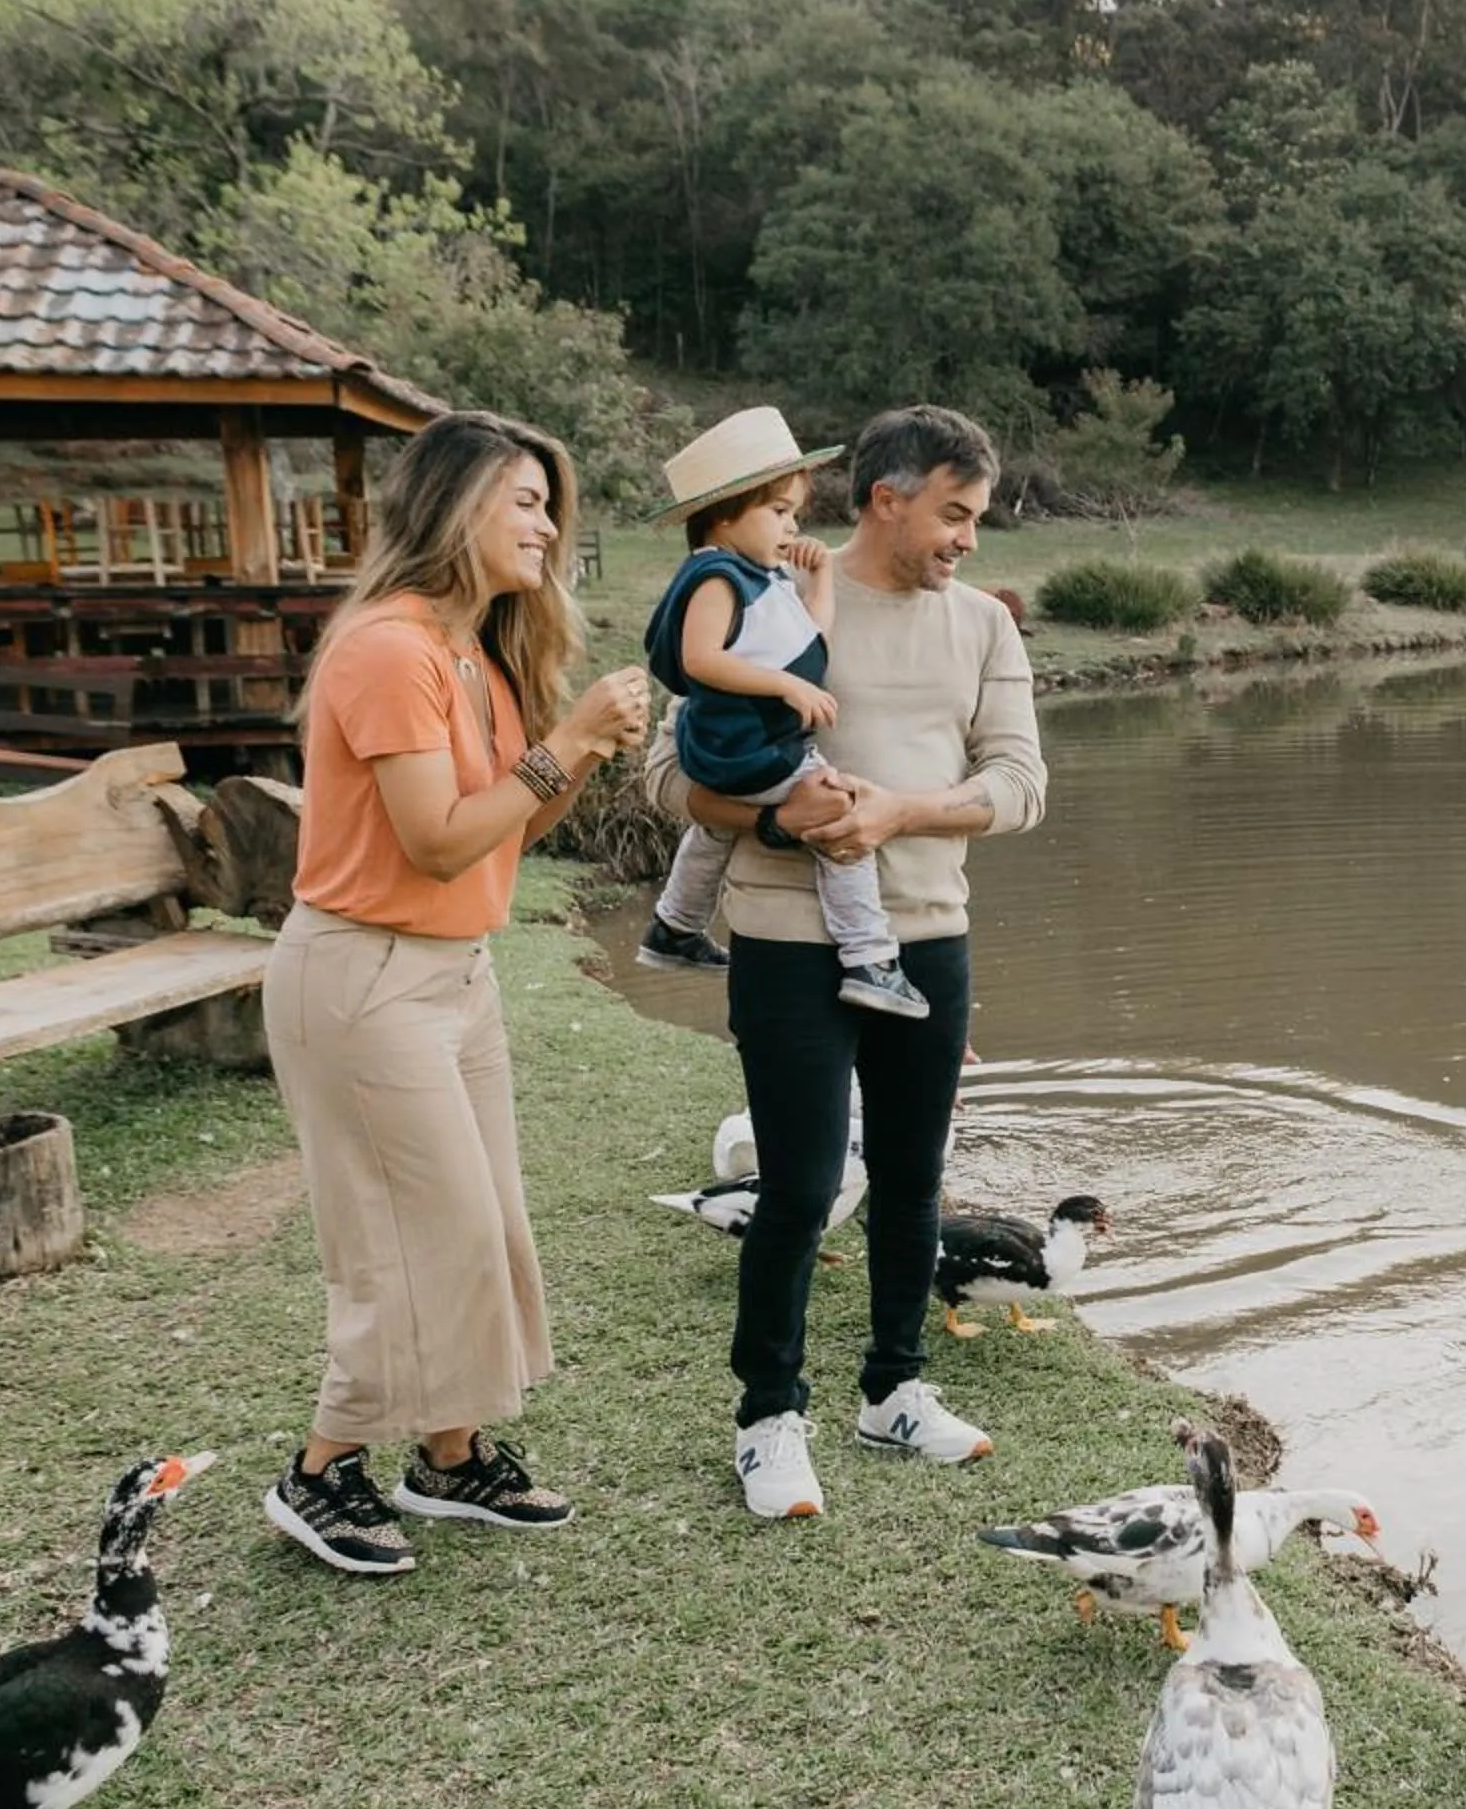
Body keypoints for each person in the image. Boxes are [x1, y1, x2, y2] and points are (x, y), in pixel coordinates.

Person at [260, 410, 651, 1576]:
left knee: (484, 1224)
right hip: (364, 975)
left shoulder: (475, 652)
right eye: (524, 502)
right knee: (405, 1238)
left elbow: (508, 829)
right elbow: (433, 841)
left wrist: (581, 749)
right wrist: (566, 738)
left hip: (453, 973)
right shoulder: (390, 648)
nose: (546, 526)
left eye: (550, 506)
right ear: (453, 506)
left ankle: (449, 1453)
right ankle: (319, 1470)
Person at [639, 404, 1045, 1520]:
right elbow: (668, 780)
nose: (967, 539)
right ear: (886, 499)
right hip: (786, 946)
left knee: (911, 1184)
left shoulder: (984, 626)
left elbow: (1020, 784)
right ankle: (768, 1416)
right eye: (954, 514)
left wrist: (901, 811)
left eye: (975, 518)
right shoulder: (762, 598)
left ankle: (894, 1390)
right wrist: (780, 823)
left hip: (931, 937)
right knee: (804, 1188)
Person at [634, 407, 922, 1019]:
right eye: (779, 511)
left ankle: (675, 925)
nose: (792, 527)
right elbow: (700, 659)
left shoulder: (760, 575)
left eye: (795, 513)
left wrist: (819, 578)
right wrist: (785, 687)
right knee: (836, 816)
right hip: (748, 746)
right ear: (724, 514)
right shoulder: (716, 578)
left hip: (734, 748)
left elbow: (812, 639)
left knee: (714, 828)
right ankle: (870, 958)